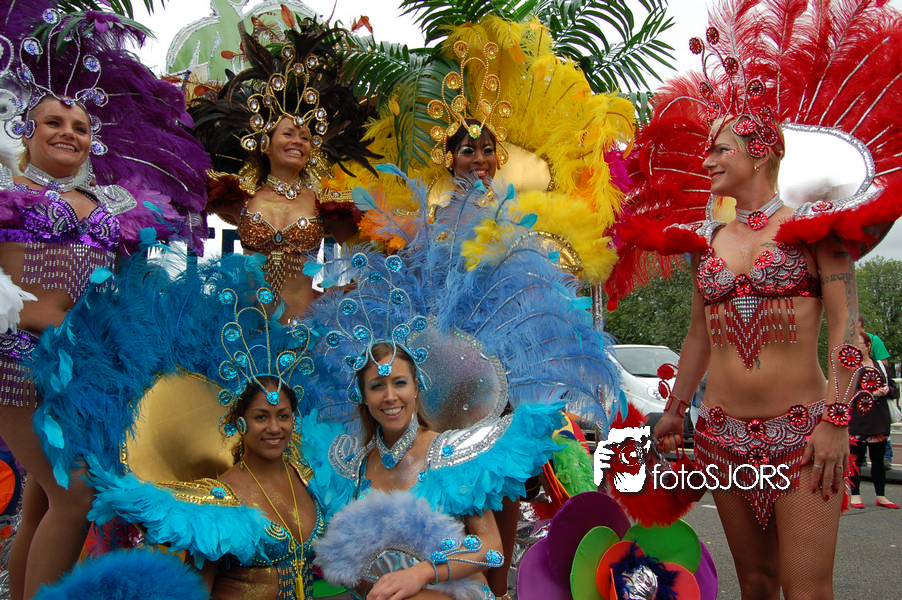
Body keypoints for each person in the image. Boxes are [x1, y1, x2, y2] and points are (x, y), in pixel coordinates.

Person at [0, 9, 207, 598]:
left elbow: (121, 287)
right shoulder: (10, 195)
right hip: (19, 362)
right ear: (25, 129)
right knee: (75, 498)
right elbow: (16, 297)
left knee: (44, 497)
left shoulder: (109, 202)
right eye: (53, 122)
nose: (68, 132)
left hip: (84, 368)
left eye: (81, 126)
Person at [191, 19, 376, 323]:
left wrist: (338, 295)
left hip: (304, 333)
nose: (298, 142)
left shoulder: (323, 204)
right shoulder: (240, 196)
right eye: (288, 133)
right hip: (246, 331)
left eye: (305, 138)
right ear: (265, 142)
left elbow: (372, 256)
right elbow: (182, 204)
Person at [200, 377, 325, 599]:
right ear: (240, 422)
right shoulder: (218, 498)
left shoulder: (307, 477)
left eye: (283, 416)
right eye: (261, 417)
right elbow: (195, 589)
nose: (274, 428)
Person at [848, 335, 899, 509]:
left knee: (878, 459)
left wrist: (887, 390)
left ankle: (881, 495)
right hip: (859, 420)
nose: (857, 347)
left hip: (879, 419)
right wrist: (867, 393)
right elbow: (847, 391)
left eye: (860, 343)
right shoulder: (851, 367)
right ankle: (855, 494)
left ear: (868, 346)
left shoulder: (880, 366)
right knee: (855, 459)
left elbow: (894, 388)